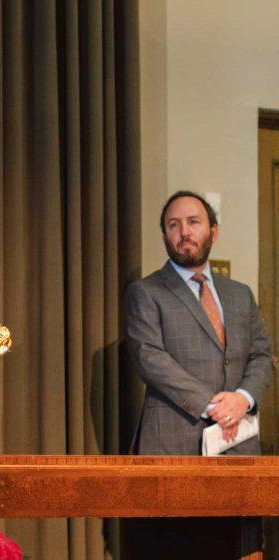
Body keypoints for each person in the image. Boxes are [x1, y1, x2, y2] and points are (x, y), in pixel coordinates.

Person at [125, 191, 274, 455]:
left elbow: (262, 355)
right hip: (172, 441)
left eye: (194, 222)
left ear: (213, 232)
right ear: (164, 238)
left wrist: (243, 398)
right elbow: (149, 358)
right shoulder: (145, 292)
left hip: (239, 439)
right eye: (174, 225)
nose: (184, 231)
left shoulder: (241, 293)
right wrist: (213, 406)